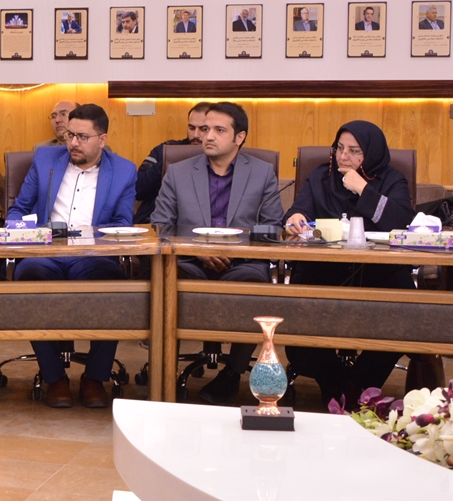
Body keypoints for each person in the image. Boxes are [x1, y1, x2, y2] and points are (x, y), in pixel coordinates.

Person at [149, 102, 284, 403]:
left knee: (253, 285)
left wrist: (234, 250)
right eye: (205, 129)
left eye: (219, 130)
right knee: (167, 282)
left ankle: (232, 374)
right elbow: (161, 225)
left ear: (239, 137)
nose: (207, 136)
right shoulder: (178, 172)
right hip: (190, 261)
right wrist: (198, 250)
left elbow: (273, 227)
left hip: (242, 262)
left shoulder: (261, 173)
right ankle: (165, 375)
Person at [8, 104, 137, 408]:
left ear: (102, 140)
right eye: (69, 135)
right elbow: (17, 210)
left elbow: (123, 224)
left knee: (113, 282)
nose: (73, 143)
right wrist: (25, 233)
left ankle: (95, 377)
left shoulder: (124, 171)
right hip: (45, 253)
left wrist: (89, 237)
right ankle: (54, 377)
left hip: (92, 255)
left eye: (82, 137)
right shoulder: (45, 160)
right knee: (28, 276)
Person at [282, 122, 417, 405]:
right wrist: (295, 218)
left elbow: (400, 221)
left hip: (380, 273)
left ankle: (359, 386)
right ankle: (337, 385)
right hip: (321, 271)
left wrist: (363, 189)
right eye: (339, 148)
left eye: (355, 151)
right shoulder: (321, 175)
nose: (343, 156)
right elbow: (299, 210)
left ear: (372, 153)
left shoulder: (392, 180)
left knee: (401, 320)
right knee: (298, 328)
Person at [134, 101, 213, 224]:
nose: (195, 135)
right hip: (155, 221)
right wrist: (171, 160)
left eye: (203, 129)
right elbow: (138, 188)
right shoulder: (166, 149)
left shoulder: (220, 157)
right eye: (191, 128)